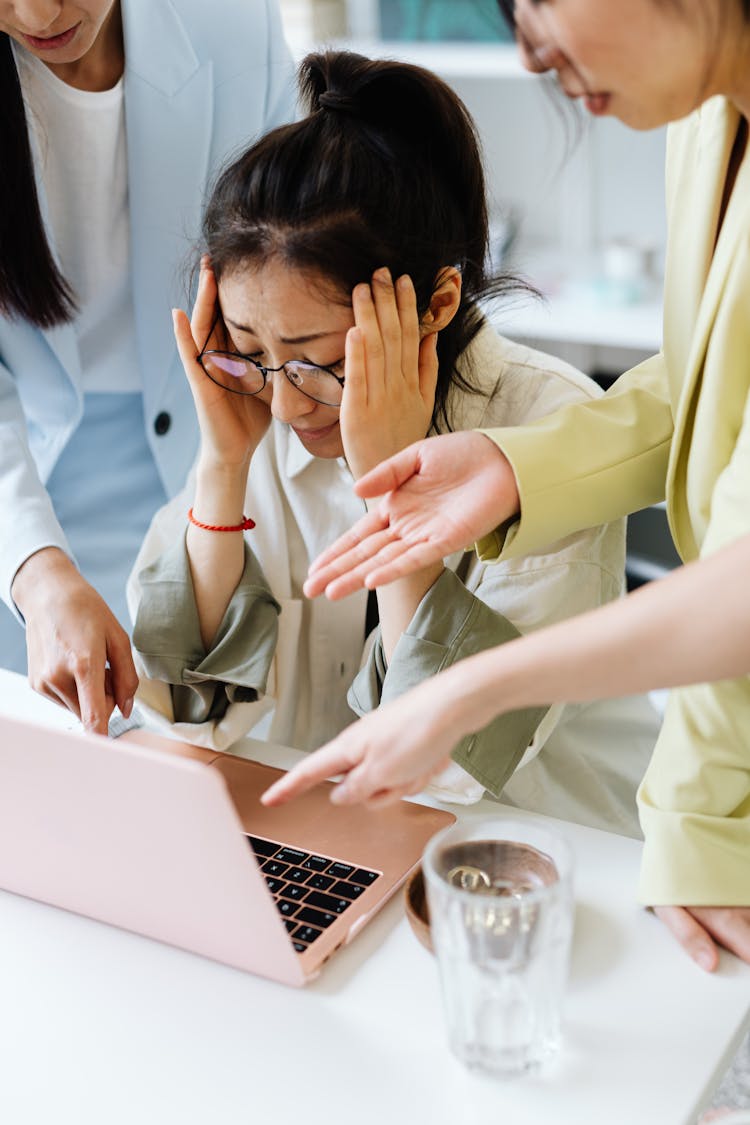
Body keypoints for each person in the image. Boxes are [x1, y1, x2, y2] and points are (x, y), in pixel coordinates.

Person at [263, 0, 750, 970]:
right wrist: (516, 468)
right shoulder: (708, 117)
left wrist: (698, 815)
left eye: (535, 2)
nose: (528, 50)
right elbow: (705, 378)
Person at [127, 49, 660, 836]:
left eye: (322, 360)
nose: (282, 399)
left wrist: (390, 490)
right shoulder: (269, 411)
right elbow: (183, 707)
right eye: (251, 348)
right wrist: (223, 464)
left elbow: (444, 766)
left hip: (540, 850)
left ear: (438, 300)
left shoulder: (551, 431)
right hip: (336, 835)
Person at [0, 0, 294, 732]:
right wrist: (34, 569)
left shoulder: (235, 27)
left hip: (219, 483)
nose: (39, 13)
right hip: (22, 508)